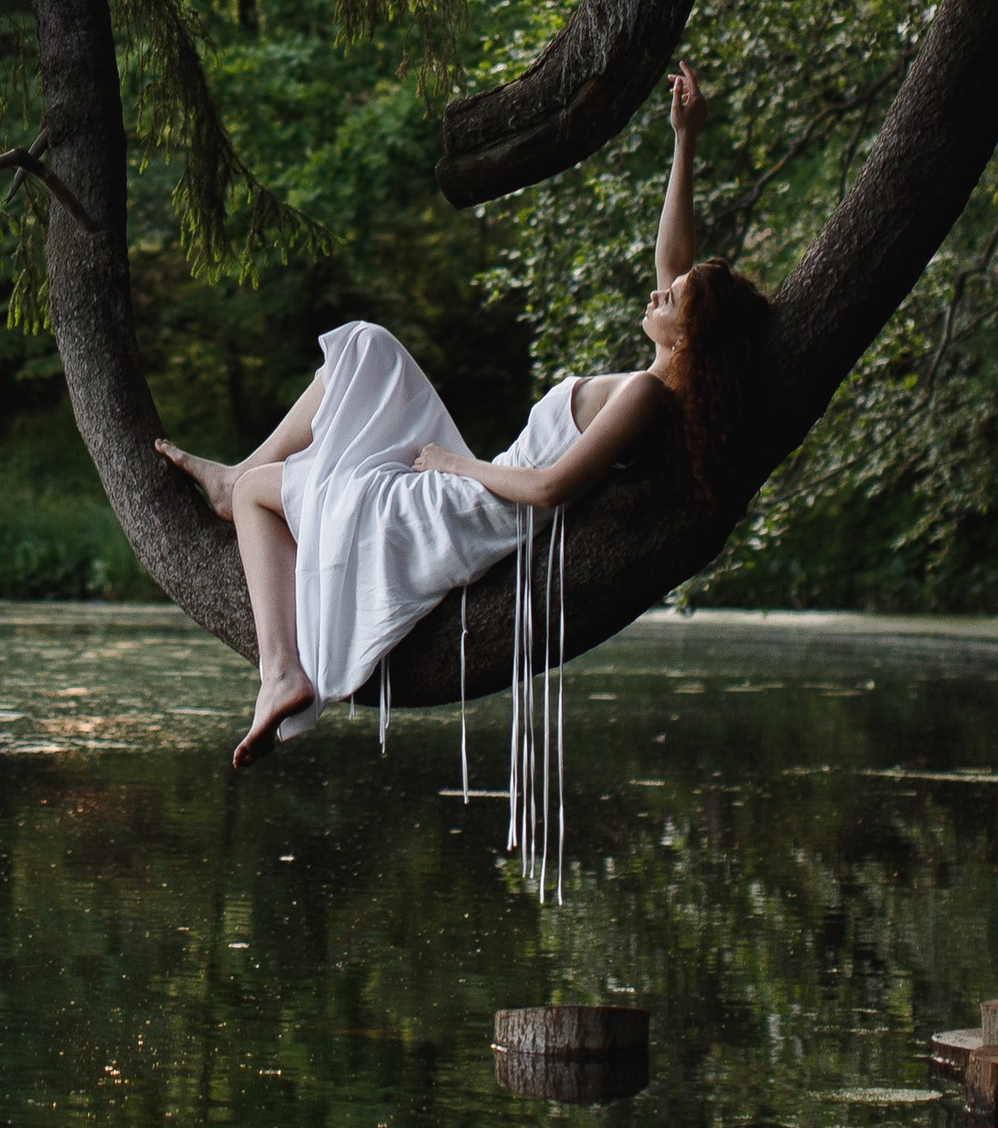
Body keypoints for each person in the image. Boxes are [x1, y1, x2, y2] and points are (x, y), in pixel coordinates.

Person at [156, 64, 769, 766]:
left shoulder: (645, 396)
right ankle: (233, 480)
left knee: (263, 493)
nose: (661, 292)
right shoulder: (657, 380)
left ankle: (280, 672)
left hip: (468, 507)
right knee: (367, 349)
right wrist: (684, 140)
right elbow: (674, 257)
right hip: (470, 490)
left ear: (688, 336)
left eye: (676, 299)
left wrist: (453, 464)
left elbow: (547, 491)